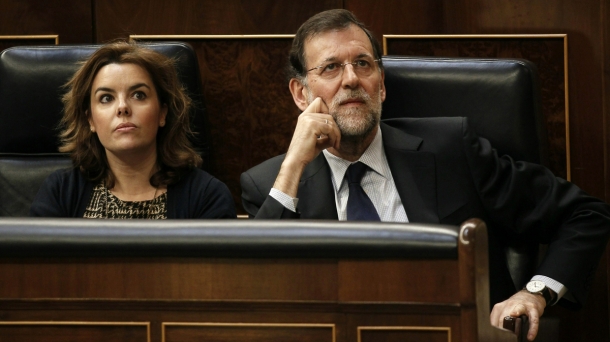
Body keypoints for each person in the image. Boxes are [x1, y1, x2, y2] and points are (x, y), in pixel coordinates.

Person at [240, 9, 610, 341]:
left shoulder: (452, 149)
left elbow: (584, 214)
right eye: (331, 67)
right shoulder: (269, 184)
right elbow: (254, 293)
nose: (351, 79)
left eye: (364, 64)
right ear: (301, 95)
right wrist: (292, 166)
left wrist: (534, 292)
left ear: (381, 86)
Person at [30, 41, 236, 219]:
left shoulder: (207, 196)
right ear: (90, 120)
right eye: (106, 98)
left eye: (138, 95)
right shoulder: (60, 192)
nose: (122, 107)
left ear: (163, 113)